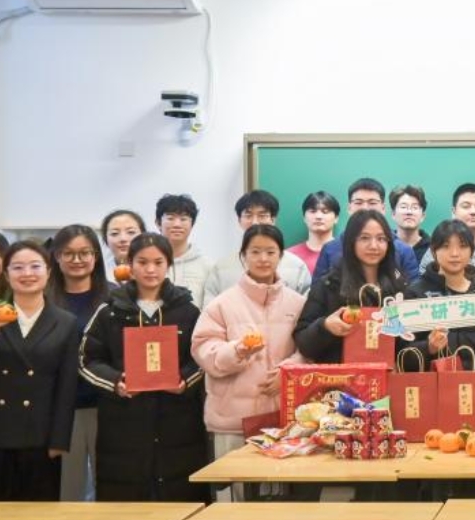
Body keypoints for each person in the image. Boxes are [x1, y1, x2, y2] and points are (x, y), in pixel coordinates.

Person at [79, 234, 210, 503]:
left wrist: (185, 381)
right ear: (129, 264)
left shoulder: (188, 311)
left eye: (158, 262)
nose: (151, 269)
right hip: (124, 422)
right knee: (126, 503)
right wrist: (116, 381)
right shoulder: (109, 311)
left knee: (180, 500)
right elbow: (86, 359)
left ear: (168, 264)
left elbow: (202, 356)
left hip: (178, 421)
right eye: (142, 262)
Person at [0, 239, 79, 501]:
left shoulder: (66, 322)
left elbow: (67, 386)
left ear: (48, 271)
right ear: (7, 274)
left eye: (35, 266)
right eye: (18, 267)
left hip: (40, 435)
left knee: (38, 515)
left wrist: (59, 440)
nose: (27, 274)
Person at [192, 223, 305, 499]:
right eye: (255, 252)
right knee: (234, 499)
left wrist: (288, 372)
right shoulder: (222, 304)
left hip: (283, 420)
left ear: (281, 256)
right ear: (243, 256)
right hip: (233, 421)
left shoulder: (297, 303)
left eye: (270, 252)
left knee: (279, 500)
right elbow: (203, 349)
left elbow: (309, 350)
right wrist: (238, 351)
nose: (263, 259)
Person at [46, 224, 112, 502]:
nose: (77, 259)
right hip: (61, 408)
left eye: (85, 252)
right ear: (56, 257)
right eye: (68, 253)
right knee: (68, 491)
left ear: (95, 256)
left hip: (107, 405)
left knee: (109, 487)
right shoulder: (43, 299)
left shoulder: (115, 298)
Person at [294, 210, 409, 365]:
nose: (374, 246)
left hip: (385, 376)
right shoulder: (329, 284)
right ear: (351, 242)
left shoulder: (398, 287)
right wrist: (325, 326)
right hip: (340, 377)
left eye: (381, 239)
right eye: (364, 238)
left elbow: (407, 344)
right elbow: (303, 343)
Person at [407, 220, 475, 366]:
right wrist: (428, 347)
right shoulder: (416, 294)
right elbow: (402, 354)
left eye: (462, 246)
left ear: (472, 251)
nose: (455, 254)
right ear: (434, 251)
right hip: (435, 378)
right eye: (446, 246)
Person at [201, 190, 312, 303]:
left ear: (273, 219)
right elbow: (210, 309)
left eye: (262, 215)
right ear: (239, 220)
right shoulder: (222, 268)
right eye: (248, 215)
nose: (255, 222)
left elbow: (307, 309)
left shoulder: (296, 267)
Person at [308, 178, 423, 285]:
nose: (365, 208)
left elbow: (413, 295)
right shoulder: (330, 249)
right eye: (358, 203)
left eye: (372, 203)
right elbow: (318, 293)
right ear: (349, 208)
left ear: (383, 209)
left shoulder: (403, 251)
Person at [156, 194, 211, 305]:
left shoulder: (206, 266)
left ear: (192, 224)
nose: (177, 224)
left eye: (183, 219)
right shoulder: (147, 263)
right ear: (158, 223)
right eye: (170, 218)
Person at [287, 191, 339, 274]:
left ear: (336, 218)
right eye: (313, 211)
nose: (318, 216)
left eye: (325, 211)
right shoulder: (289, 256)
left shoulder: (345, 252)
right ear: (304, 217)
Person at [100, 210, 146, 277]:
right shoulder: (98, 272)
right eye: (115, 233)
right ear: (105, 239)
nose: (123, 239)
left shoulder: (155, 269)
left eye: (131, 232)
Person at [390, 185, 429, 256]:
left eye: (415, 207)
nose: (409, 212)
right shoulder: (385, 245)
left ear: (422, 216)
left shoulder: (432, 248)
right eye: (403, 207)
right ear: (393, 214)